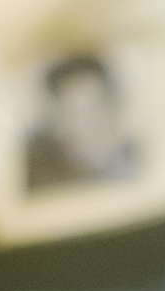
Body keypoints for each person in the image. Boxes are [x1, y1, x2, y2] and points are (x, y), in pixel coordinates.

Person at [23, 52, 138, 191]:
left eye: (90, 113)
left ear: (112, 110)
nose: (80, 128)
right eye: (71, 116)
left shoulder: (136, 162)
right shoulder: (51, 178)